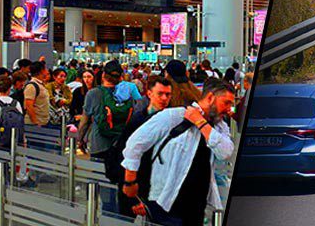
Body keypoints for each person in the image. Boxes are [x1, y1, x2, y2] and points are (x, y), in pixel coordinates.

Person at [121, 79, 236, 226]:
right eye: (226, 103)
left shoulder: (219, 126)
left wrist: (200, 122)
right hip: (166, 203)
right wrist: (130, 181)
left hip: (197, 205)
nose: (229, 109)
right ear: (210, 97)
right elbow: (135, 144)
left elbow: (225, 152)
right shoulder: (174, 116)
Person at [112, 76, 172, 217]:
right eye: (160, 94)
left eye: (168, 94)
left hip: (157, 185)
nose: (164, 98)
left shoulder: (172, 120)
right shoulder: (137, 120)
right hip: (135, 183)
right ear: (149, 93)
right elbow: (124, 154)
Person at [81, 63, 136, 163]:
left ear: (103, 75)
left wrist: (80, 139)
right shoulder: (128, 94)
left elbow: (85, 121)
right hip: (121, 145)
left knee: (98, 175)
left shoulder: (94, 93)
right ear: (120, 77)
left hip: (99, 144)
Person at [23, 62, 52, 129]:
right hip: (33, 124)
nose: (47, 71)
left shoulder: (41, 84)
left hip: (43, 122)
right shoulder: (31, 86)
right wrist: (35, 122)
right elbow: (29, 105)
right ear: (41, 71)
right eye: (45, 69)